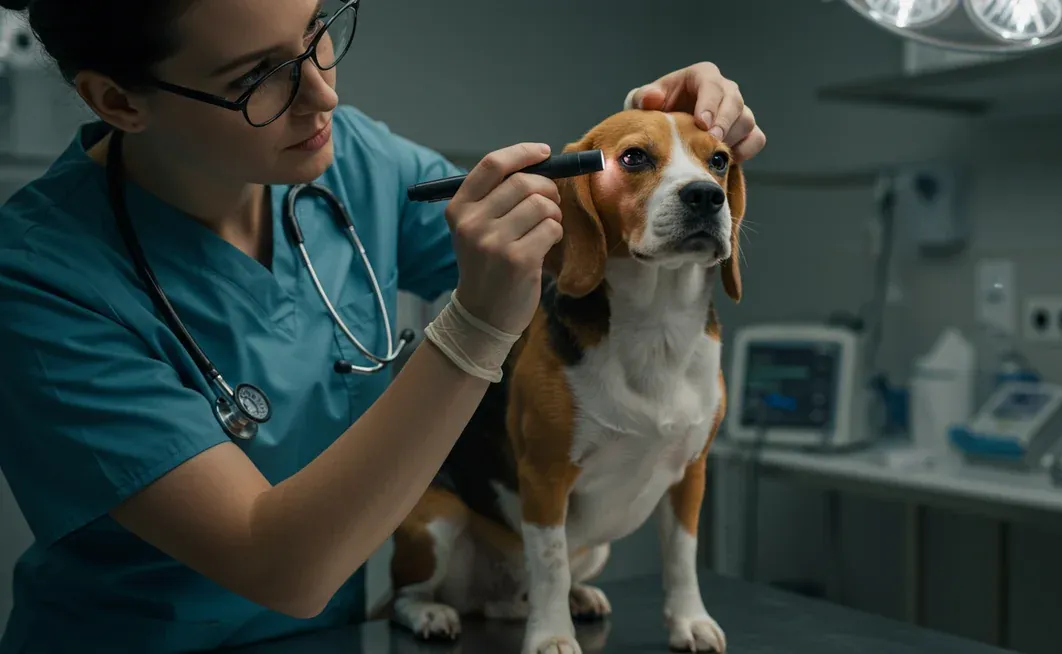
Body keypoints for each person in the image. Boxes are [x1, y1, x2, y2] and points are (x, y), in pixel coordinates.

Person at [0, 0, 767, 651]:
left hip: (337, 636)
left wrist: (667, 158)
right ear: (119, 101)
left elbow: (576, 259)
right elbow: (282, 567)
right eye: (255, 78)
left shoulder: (352, 160)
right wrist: (472, 334)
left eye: (315, 32)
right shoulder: (42, 282)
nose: (321, 97)